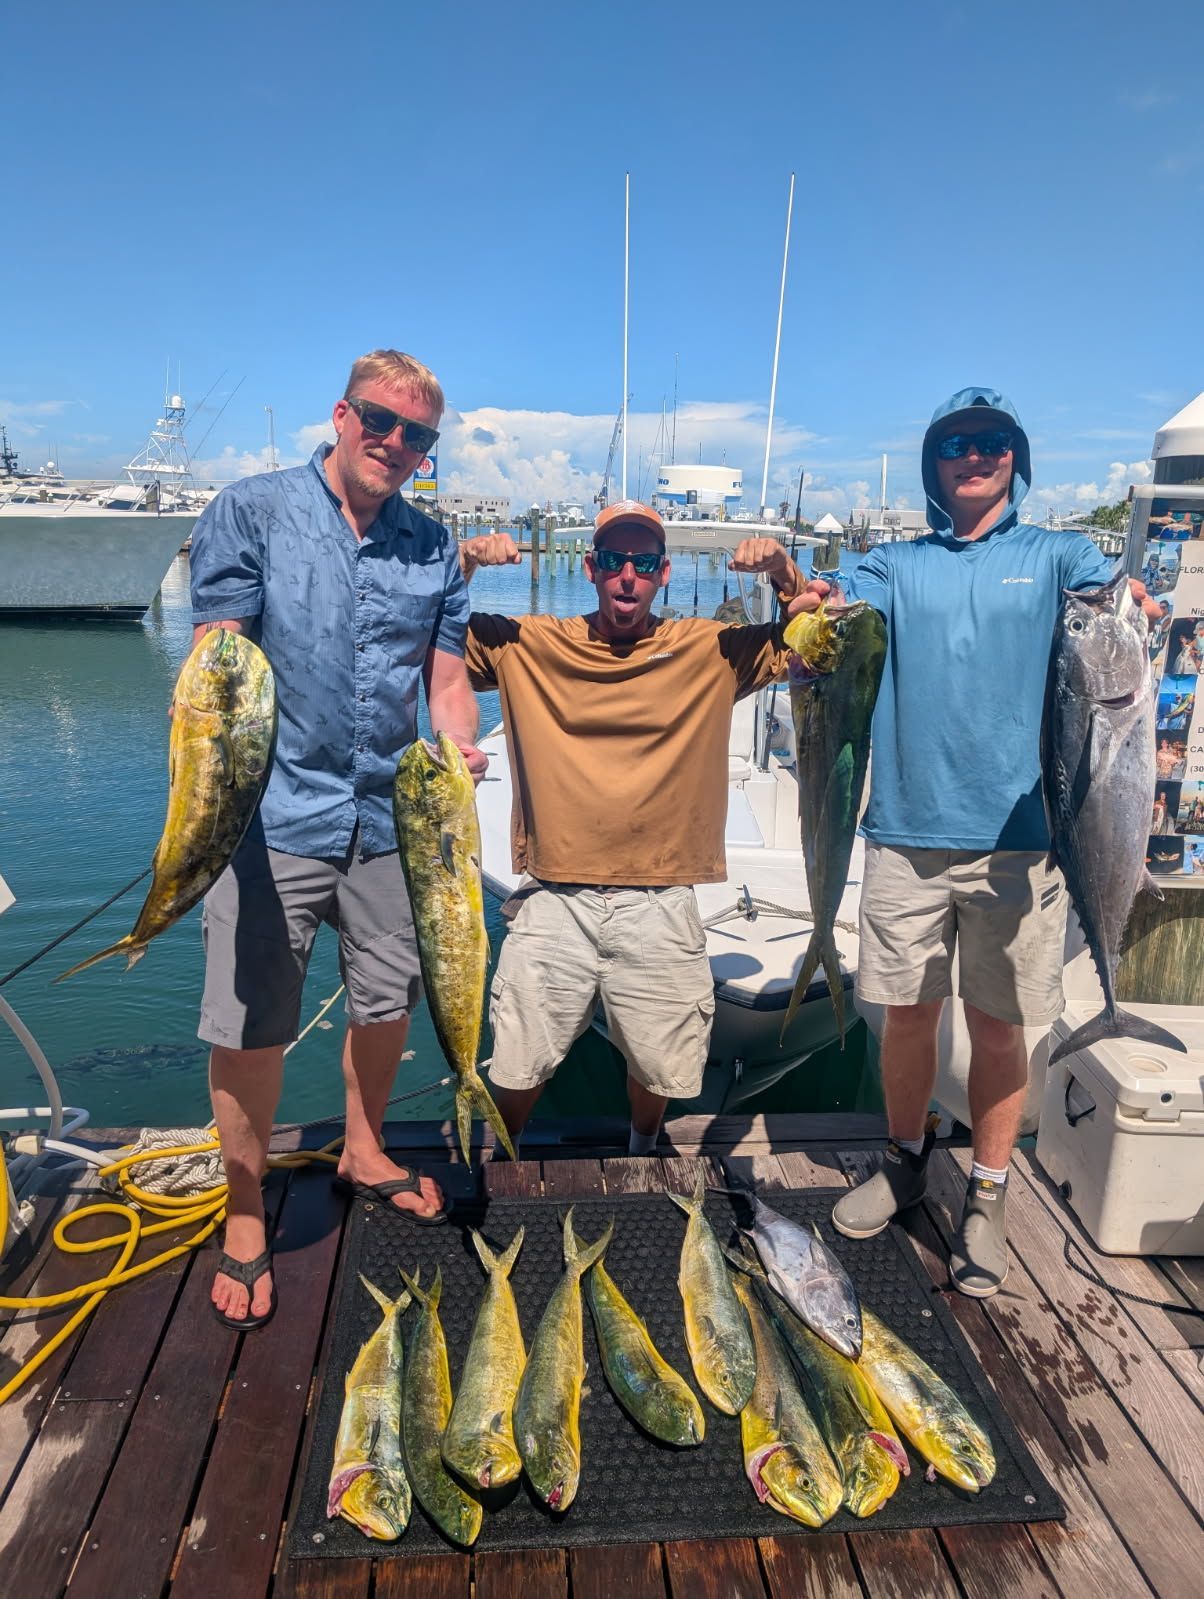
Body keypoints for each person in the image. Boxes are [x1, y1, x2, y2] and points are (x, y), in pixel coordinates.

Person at [796, 388, 1161, 1299]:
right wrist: (813, 600)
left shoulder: (1055, 555)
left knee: (1001, 1030)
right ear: (933, 463)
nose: (974, 454)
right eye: (956, 443)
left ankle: (989, 1195)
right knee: (908, 1017)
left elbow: (1107, 588)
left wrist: (1135, 600)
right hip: (906, 833)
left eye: (992, 442)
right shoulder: (896, 562)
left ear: (1015, 457)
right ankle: (907, 1159)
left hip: (1026, 841)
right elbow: (843, 600)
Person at [188, 349, 483, 1330]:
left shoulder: (433, 550)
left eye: (417, 436)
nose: (394, 444)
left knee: (389, 992)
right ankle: (242, 1208)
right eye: (379, 421)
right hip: (270, 817)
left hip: (392, 818)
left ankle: (364, 1147)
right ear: (342, 414)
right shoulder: (253, 510)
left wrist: (458, 747)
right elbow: (215, 667)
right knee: (253, 1020)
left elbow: (444, 679)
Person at [457, 501, 811, 1156]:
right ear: (590, 568)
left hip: (662, 893)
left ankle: (641, 1145)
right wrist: (467, 564)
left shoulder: (708, 649)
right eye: (614, 560)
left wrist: (786, 573)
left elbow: (810, 642)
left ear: (663, 573)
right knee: (516, 1062)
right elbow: (426, 631)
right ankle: (497, 1158)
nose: (627, 574)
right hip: (555, 893)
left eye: (643, 562)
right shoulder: (526, 642)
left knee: (658, 1063)